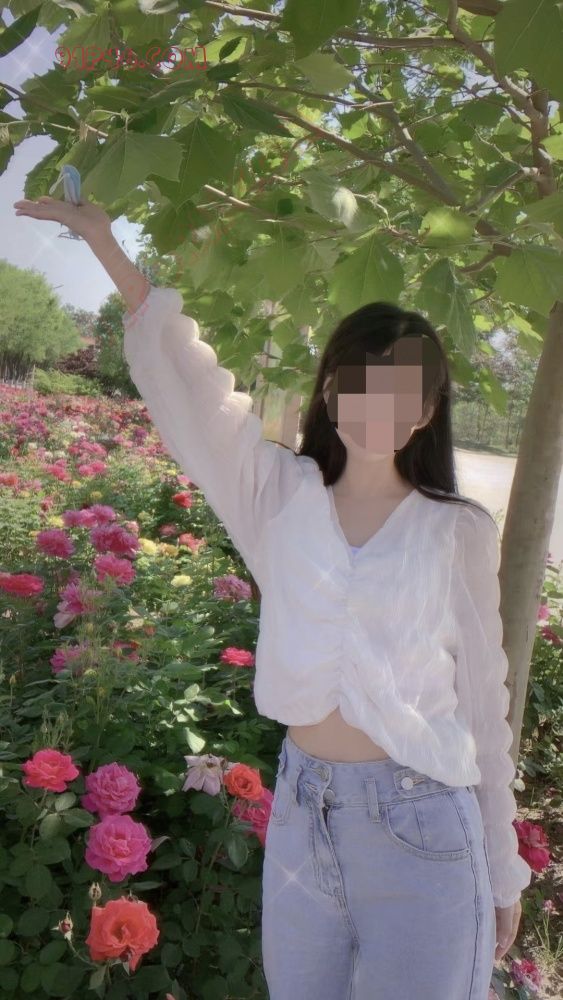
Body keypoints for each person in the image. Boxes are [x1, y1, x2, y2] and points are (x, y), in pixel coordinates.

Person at [14, 193, 532, 999]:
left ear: (427, 410)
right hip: (301, 817)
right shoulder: (278, 497)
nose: (377, 407)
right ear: (330, 391)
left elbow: (482, 701)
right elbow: (198, 396)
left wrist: (502, 869)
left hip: (424, 824)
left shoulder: (454, 530)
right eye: (359, 383)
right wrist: (109, 250)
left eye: (401, 391)